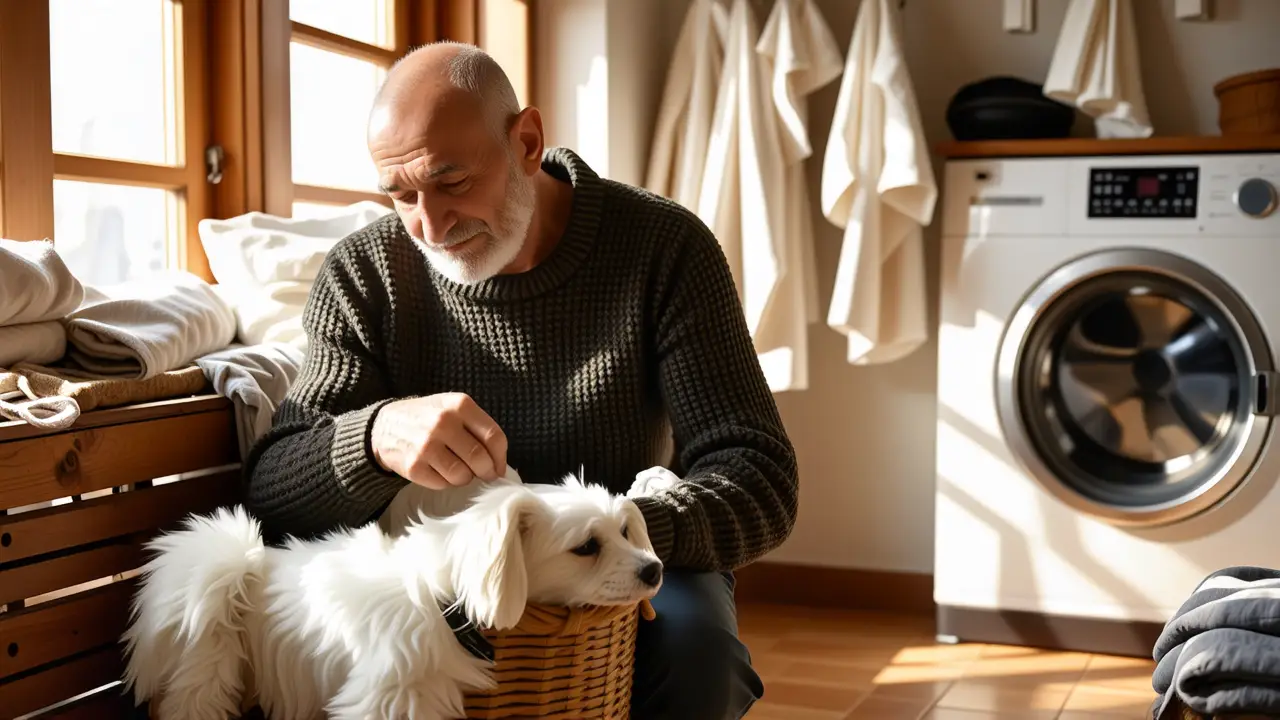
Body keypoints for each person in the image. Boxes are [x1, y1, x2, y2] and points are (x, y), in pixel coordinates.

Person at [243, 41, 798, 720]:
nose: (431, 226)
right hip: (437, 569)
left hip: (630, 552)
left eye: (451, 183)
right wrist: (374, 438)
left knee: (698, 656)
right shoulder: (366, 272)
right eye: (401, 195)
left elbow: (760, 475)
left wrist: (611, 538)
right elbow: (273, 488)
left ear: (527, 142)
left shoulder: (663, 248)